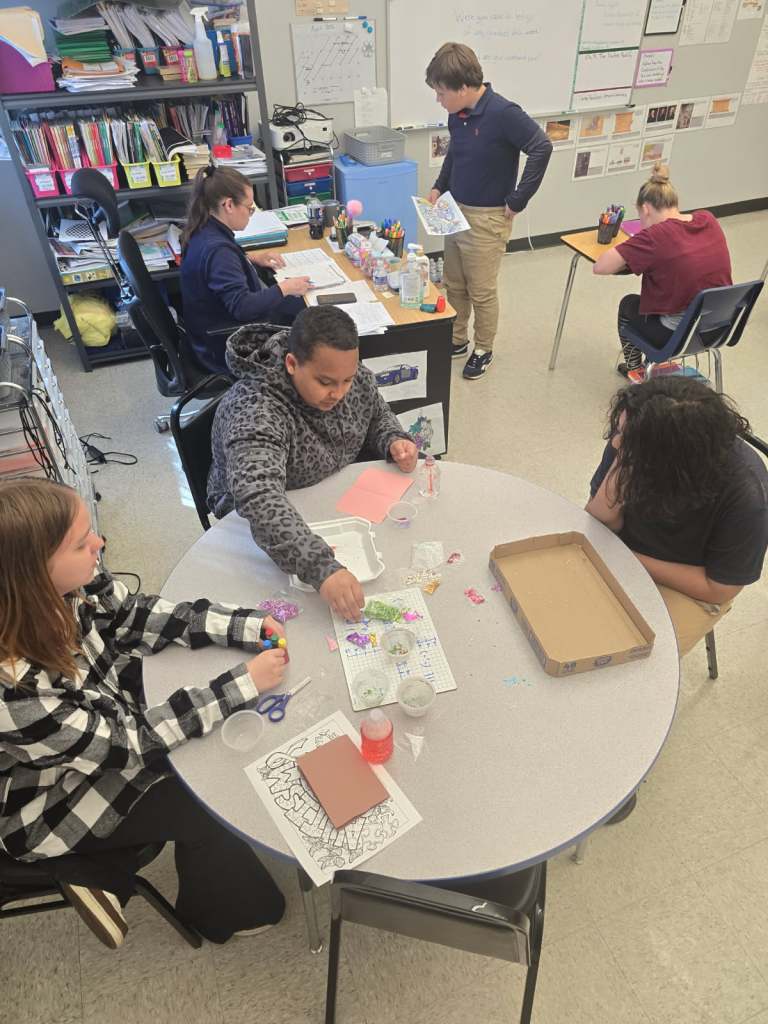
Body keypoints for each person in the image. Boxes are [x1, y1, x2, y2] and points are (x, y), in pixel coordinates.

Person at [0, 478, 290, 948]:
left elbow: (133, 616)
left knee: (192, 715)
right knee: (203, 796)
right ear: (34, 574)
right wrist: (242, 684)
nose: (100, 543)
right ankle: (223, 913)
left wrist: (243, 625)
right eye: (81, 542)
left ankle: (100, 871)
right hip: (49, 795)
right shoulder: (17, 694)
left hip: (99, 711)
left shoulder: (73, 578)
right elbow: (128, 744)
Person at [207, 305, 419, 621]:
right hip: (270, 520)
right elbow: (260, 498)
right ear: (292, 364)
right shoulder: (255, 410)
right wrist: (320, 567)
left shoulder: (349, 377)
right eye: (325, 382)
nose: (339, 392)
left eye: (346, 380)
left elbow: (375, 412)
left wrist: (392, 438)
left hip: (334, 495)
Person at [587, 377, 768, 658]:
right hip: (623, 548)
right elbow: (599, 517)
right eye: (620, 430)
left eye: (625, 438)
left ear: (674, 460)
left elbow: (719, 588)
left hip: (691, 585)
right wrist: (623, 462)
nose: (615, 441)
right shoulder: (636, 436)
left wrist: (627, 558)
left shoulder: (747, 495)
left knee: (631, 663)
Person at [425, 42, 552, 380]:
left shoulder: (503, 113)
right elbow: (455, 154)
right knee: (454, 283)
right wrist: (440, 185)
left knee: (481, 290)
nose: (439, 99)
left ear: (463, 88)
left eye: (441, 92)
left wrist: (518, 199)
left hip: (487, 218)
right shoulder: (458, 114)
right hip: (455, 209)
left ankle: (483, 348)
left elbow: (542, 147)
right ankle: (456, 339)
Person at [593, 163, 732, 377]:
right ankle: (651, 365)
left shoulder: (654, 236)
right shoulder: (708, 219)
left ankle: (636, 370)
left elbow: (601, 267)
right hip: (719, 329)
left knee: (629, 305)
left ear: (646, 209)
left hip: (677, 336)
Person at [180, 165, 312, 374]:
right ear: (228, 205)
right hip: (226, 344)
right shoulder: (218, 251)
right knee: (311, 319)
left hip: (206, 331)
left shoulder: (203, 229)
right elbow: (242, 307)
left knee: (298, 307)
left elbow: (213, 269)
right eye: (250, 208)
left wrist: (250, 258)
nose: (251, 214)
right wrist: (285, 288)